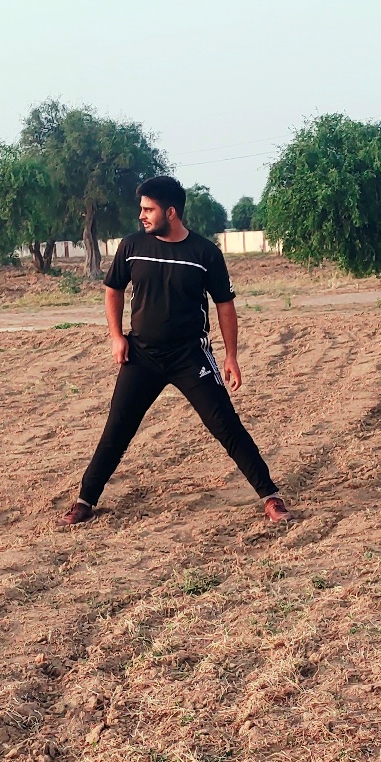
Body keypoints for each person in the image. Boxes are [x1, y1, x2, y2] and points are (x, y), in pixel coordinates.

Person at [62, 176, 289, 526]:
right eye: (141, 209)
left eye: (148, 209)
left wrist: (231, 355)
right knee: (117, 429)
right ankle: (84, 502)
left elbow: (225, 305)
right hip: (141, 355)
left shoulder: (204, 253)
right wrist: (116, 336)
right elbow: (113, 290)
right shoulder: (132, 246)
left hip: (190, 357)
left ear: (171, 212)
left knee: (226, 425)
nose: (141, 215)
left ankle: (270, 497)